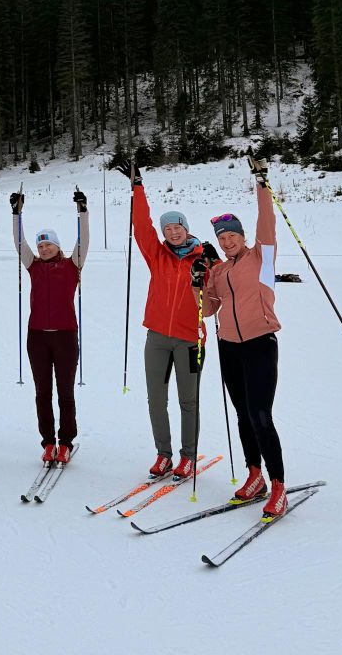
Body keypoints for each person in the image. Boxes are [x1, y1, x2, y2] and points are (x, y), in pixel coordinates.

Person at [198, 151, 286, 518]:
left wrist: (262, 182)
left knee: (261, 414)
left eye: (232, 234)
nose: (227, 240)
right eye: (222, 236)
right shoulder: (218, 270)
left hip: (260, 343)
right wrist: (198, 282)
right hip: (228, 347)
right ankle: (255, 475)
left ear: (243, 236)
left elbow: (267, 220)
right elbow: (207, 311)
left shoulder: (261, 257)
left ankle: (278, 485)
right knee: (242, 415)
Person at [116, 160, 209, 480]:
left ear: (186, 228)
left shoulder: (204, 259)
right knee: (156, 398)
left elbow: (218, 296)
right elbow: (141, 227)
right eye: (168, 229)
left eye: (177, 227)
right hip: (156, 337)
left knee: (188, 401)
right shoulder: (157, 256)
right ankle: (164, 454)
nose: (173, 232)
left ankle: (188, 457)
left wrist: (205, 275)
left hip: (189, 341)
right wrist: (137, 188)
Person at [10, 188, 89, 464]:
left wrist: (82, 212)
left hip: (65, 337)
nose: (43, 249)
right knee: (42, 392)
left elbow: (84, 240)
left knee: (65, 392)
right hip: (37, 338)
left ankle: (65, 442)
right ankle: (48, 442)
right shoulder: (33, 266)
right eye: (41, 245)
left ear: (57, 246)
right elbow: (19, 243)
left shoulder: (72, 265)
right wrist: (16, 214)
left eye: (48, 245)